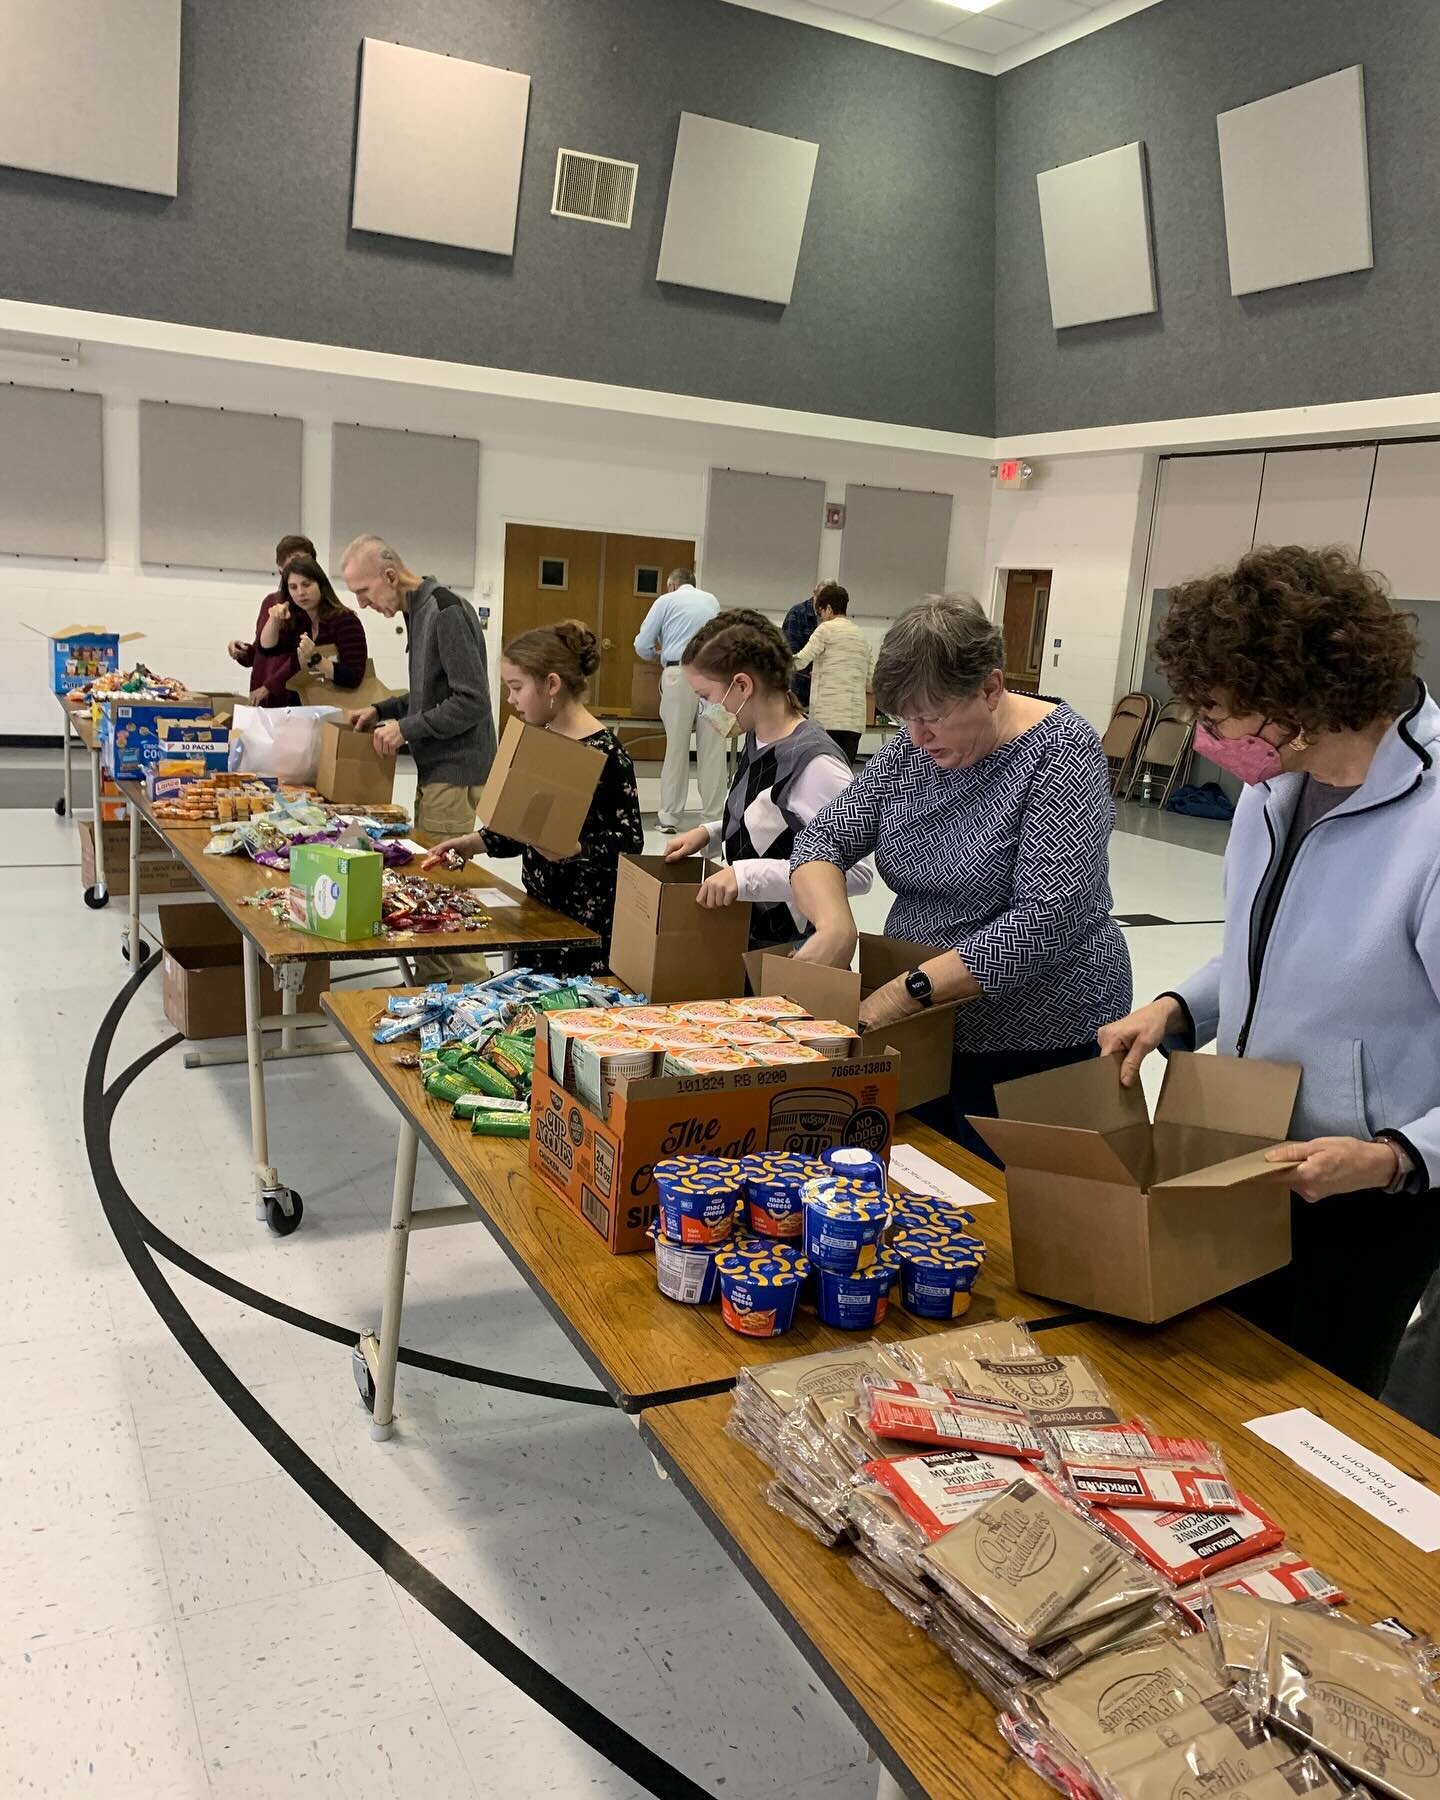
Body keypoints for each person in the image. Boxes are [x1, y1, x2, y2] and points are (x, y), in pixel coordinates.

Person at [1098, 546, 1440, 1409]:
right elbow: (1264, 947)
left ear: (1300, 697)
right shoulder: (1275, 789)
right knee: (1225, 1378)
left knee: (1321, 1413)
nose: (1210, 738)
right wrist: (1182, 1005)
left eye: (1222, 714)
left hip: (1371, 1190)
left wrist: (1395, 1155)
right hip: (1251, 1151)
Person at [789, 595, 1131, 1161]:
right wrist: (834, 926)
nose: (916, 736)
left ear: (991, 688)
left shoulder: (1063, 753)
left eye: (932, 716)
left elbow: (1042, 922)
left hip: (1036, 1038)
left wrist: (905, 992)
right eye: (905, 720)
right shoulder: (912, 752)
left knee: (1012, 1221)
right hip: (928, 1036)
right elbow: (823, 839)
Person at [422, 623, 642, 978]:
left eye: (517, 688)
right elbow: (522, 823)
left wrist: (576, 849)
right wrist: (471, 843)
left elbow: (628, 846)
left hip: (584, 932)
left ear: (552, 685)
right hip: (539, 915)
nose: (511, 700)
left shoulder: (607, 755)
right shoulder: (544, 740)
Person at [663, 610, 872, 949]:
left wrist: (748, 878)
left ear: (742, 685)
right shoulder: (756, 735)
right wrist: (711, 834)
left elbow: (856, 872)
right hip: (749, 938)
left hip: (793, 951)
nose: (704, 711)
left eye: (705, 697)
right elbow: (774, 820)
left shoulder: (815, 763)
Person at [341, 534, 497, 979]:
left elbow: (471, 701)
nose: (364, 605)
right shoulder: (419, 612)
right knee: (430, 885)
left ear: (390, 576)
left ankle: (470, 991)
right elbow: (433, 693)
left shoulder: (445, 612)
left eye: (364, 592)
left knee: (443, 890)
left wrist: (406, 728)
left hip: (457, 771)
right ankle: (438, 987)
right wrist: (383, 709)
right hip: (439, 770)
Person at [633, 567, 725, 832]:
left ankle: (670, 818)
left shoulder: (665, 601)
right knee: (712, 748)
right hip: (714, 675)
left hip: (679, 673)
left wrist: (655, 655)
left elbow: (642, 644)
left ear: (671, 585)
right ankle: (712, 818)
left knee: (676, 746)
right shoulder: (711, 600)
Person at [252, 553, 368, 700]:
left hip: (339, 706)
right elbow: (267, 649)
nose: (300, 593)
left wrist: (315, 658)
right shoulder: (300, 621)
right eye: (293, 587)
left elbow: (353, 676)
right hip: (305, 705)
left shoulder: (345, 620)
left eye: (306, 584)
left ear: (321, 585)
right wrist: (274, 619)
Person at [228, 533, 318, 707]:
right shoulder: (270, 601)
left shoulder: (311, 606)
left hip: (292, 699)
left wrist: (269, 687)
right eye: (293, 561)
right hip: (262, 696)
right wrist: (244, 652)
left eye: (305, 560)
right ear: (280, 568)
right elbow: (262, 651)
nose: (299, 567)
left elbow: (302, 659)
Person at [790, 581, 874, 763]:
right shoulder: (860, 635)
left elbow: (801, 661)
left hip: (827, 719)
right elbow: (869, 681)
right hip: (854, 720)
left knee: (824, 772)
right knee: (844, 774)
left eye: (821, 612)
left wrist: (772, 662)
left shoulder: (826, 629)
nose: (821, 617)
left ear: (828, 608)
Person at [782, 588, 820, 708]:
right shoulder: (797, 613)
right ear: (814, 593)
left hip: (818, 688)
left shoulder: (830, 618)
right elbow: (789, 650)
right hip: (798, 684)